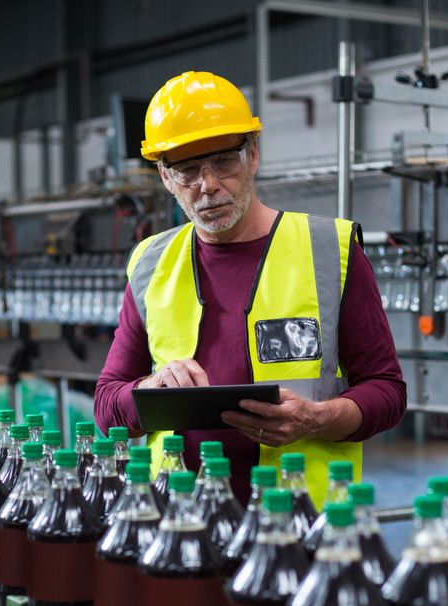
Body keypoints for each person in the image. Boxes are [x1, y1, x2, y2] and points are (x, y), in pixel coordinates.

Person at [94, 71, 406, 504]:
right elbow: (107, 404)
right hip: (177, 522)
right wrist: (150, 389)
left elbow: (387, 391)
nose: (208, 184)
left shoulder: (328, 252)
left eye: (224, 161)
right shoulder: (151, 264)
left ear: (253, 155)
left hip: (300, 520)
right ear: (165, 178)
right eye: (186, 170)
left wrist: (317, 418)